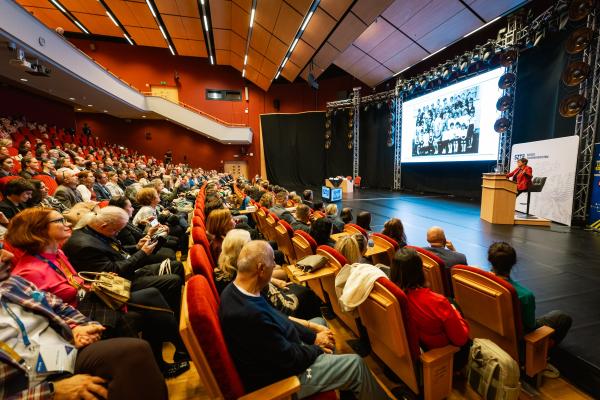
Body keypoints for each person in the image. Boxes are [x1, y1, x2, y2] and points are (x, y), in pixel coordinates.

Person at [6, 208, 189, 378]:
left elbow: (77, 282)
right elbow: (45, 320)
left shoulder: (57, 253)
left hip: (90, 303)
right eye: (60, 220)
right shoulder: (29, 272)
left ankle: (174, 352)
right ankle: (177, 349)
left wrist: (97, 282)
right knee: (147, 308)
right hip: (78, 322)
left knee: (151, 296)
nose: (68, 223)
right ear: (39, 230)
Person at [219, 240, 391, 399]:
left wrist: (313, 335)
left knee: (319, 322)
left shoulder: (237, 290)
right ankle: (344, 376)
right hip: (285, 379)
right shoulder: (249, 315)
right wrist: (317, 348)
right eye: (272, 261)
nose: (275, 265)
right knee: (355, 365)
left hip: (282, 352)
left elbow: (279, 318)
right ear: (261, 269)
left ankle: (343, 383)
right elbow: (290, 359)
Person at [0, 249, 169, 399]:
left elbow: (59, 306)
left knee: (134, 350)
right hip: (24, 382)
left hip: (54, 352)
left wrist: (79, 327)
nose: (9, 255)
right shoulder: (29, 270)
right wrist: (51, 392)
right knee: (129, 316)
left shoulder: (12, 282)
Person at [62, 206, 184, 318]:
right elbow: (112, 271)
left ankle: (172, 310)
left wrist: (136, 247)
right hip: (117, 284)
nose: (117, 233)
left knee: (177, 266)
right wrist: (142, 253)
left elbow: (116, 251)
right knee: (173, 280)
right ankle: (173, 317)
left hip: (128, 271)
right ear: (104, 226)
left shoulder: (94, 230)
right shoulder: (83, 246)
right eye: (116, 231)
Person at [390, 247, 470, 367]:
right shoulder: (438, 302)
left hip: (419, 349)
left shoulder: (393, 296)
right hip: (445, 357)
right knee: (453, 304)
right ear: (420, 271)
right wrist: (456, 313)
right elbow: (461, 339)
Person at [488, 242, 572, 345]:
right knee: (562, 317)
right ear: (513, 263)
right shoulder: (523, 295)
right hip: (515, 343)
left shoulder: (478, 281)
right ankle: (543, 350)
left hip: (488, 331)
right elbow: (531, 326)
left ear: (490, 260)